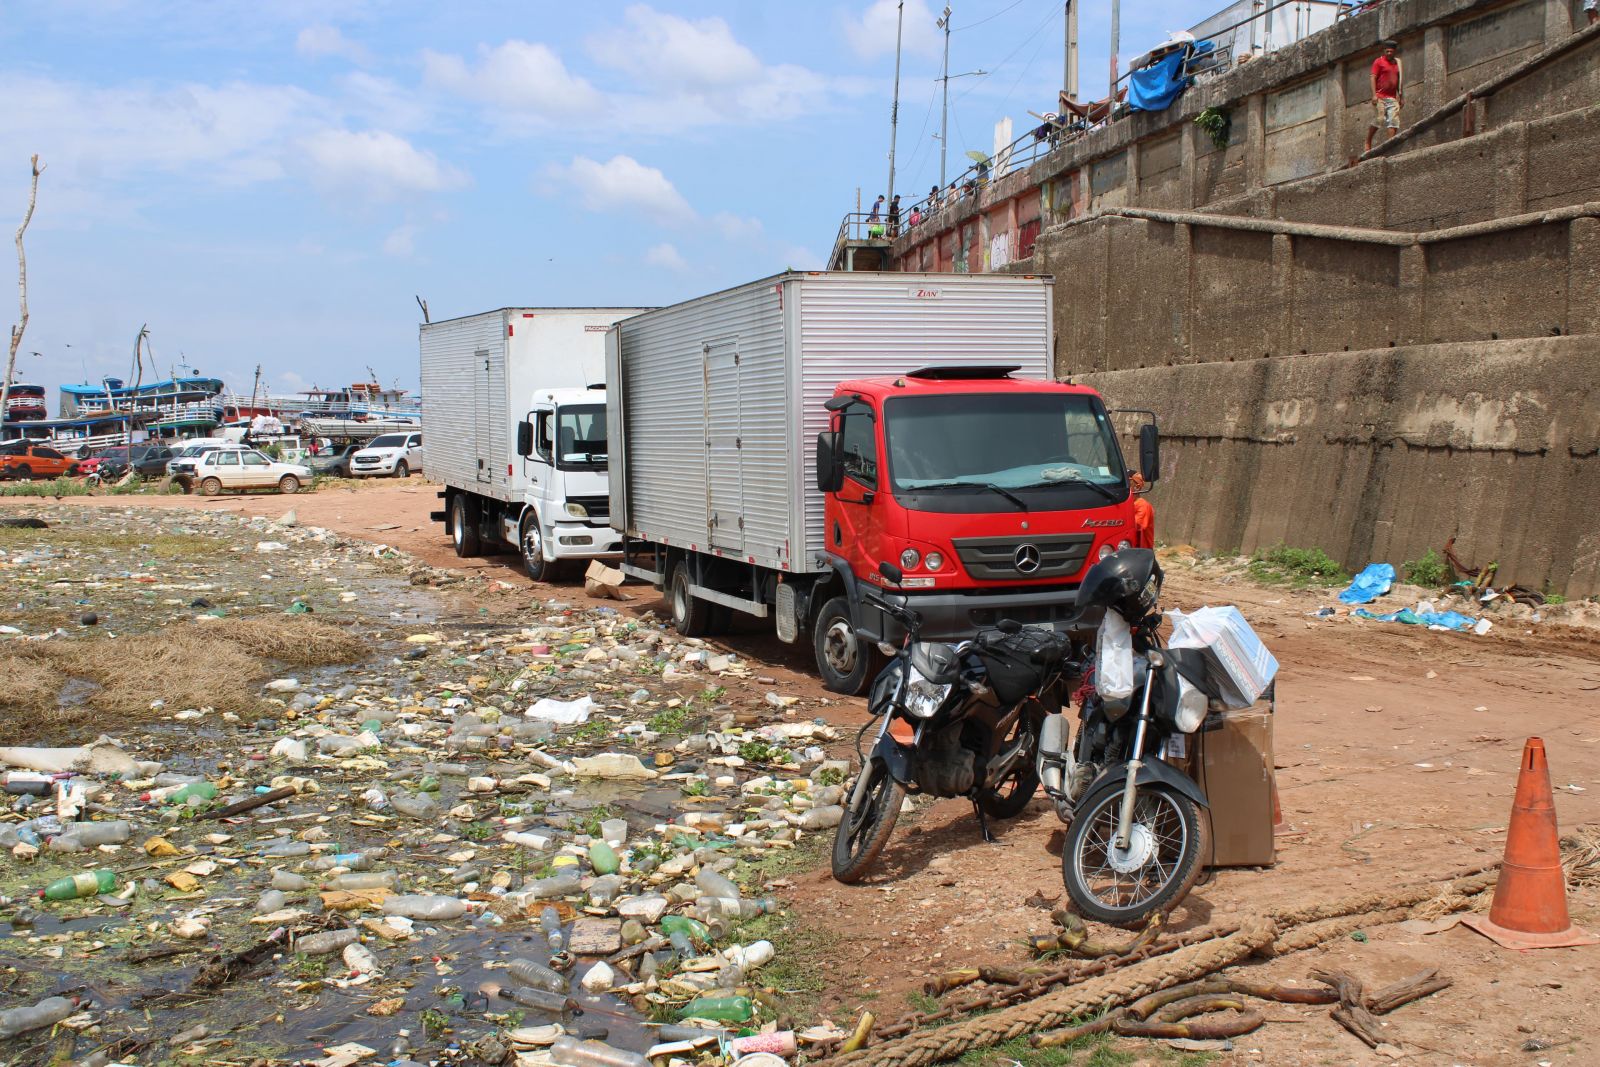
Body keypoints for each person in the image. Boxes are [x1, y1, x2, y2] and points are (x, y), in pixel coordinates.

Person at [1365, 39, 1403, 152]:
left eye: (1391, 51)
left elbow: (1399, 80)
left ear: (1394, 51)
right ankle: (1368, 141)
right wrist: (1374, 95)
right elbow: (1373, 77)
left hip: (1392, 97)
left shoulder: (1397, 63)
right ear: (1384, 51)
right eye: (1387, 51)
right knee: (1379, 119)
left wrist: (1401, 96)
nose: (1389, 53)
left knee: (1394, 121)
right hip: (1380, 96)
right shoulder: (1379, 62)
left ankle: (1390, 144)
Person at [1130, 472, 1155, 549]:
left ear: (1137, 487)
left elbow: (1137, 526)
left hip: (1142, 553)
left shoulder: (1143, 505)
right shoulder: (1127, 505)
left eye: (1127, 484)